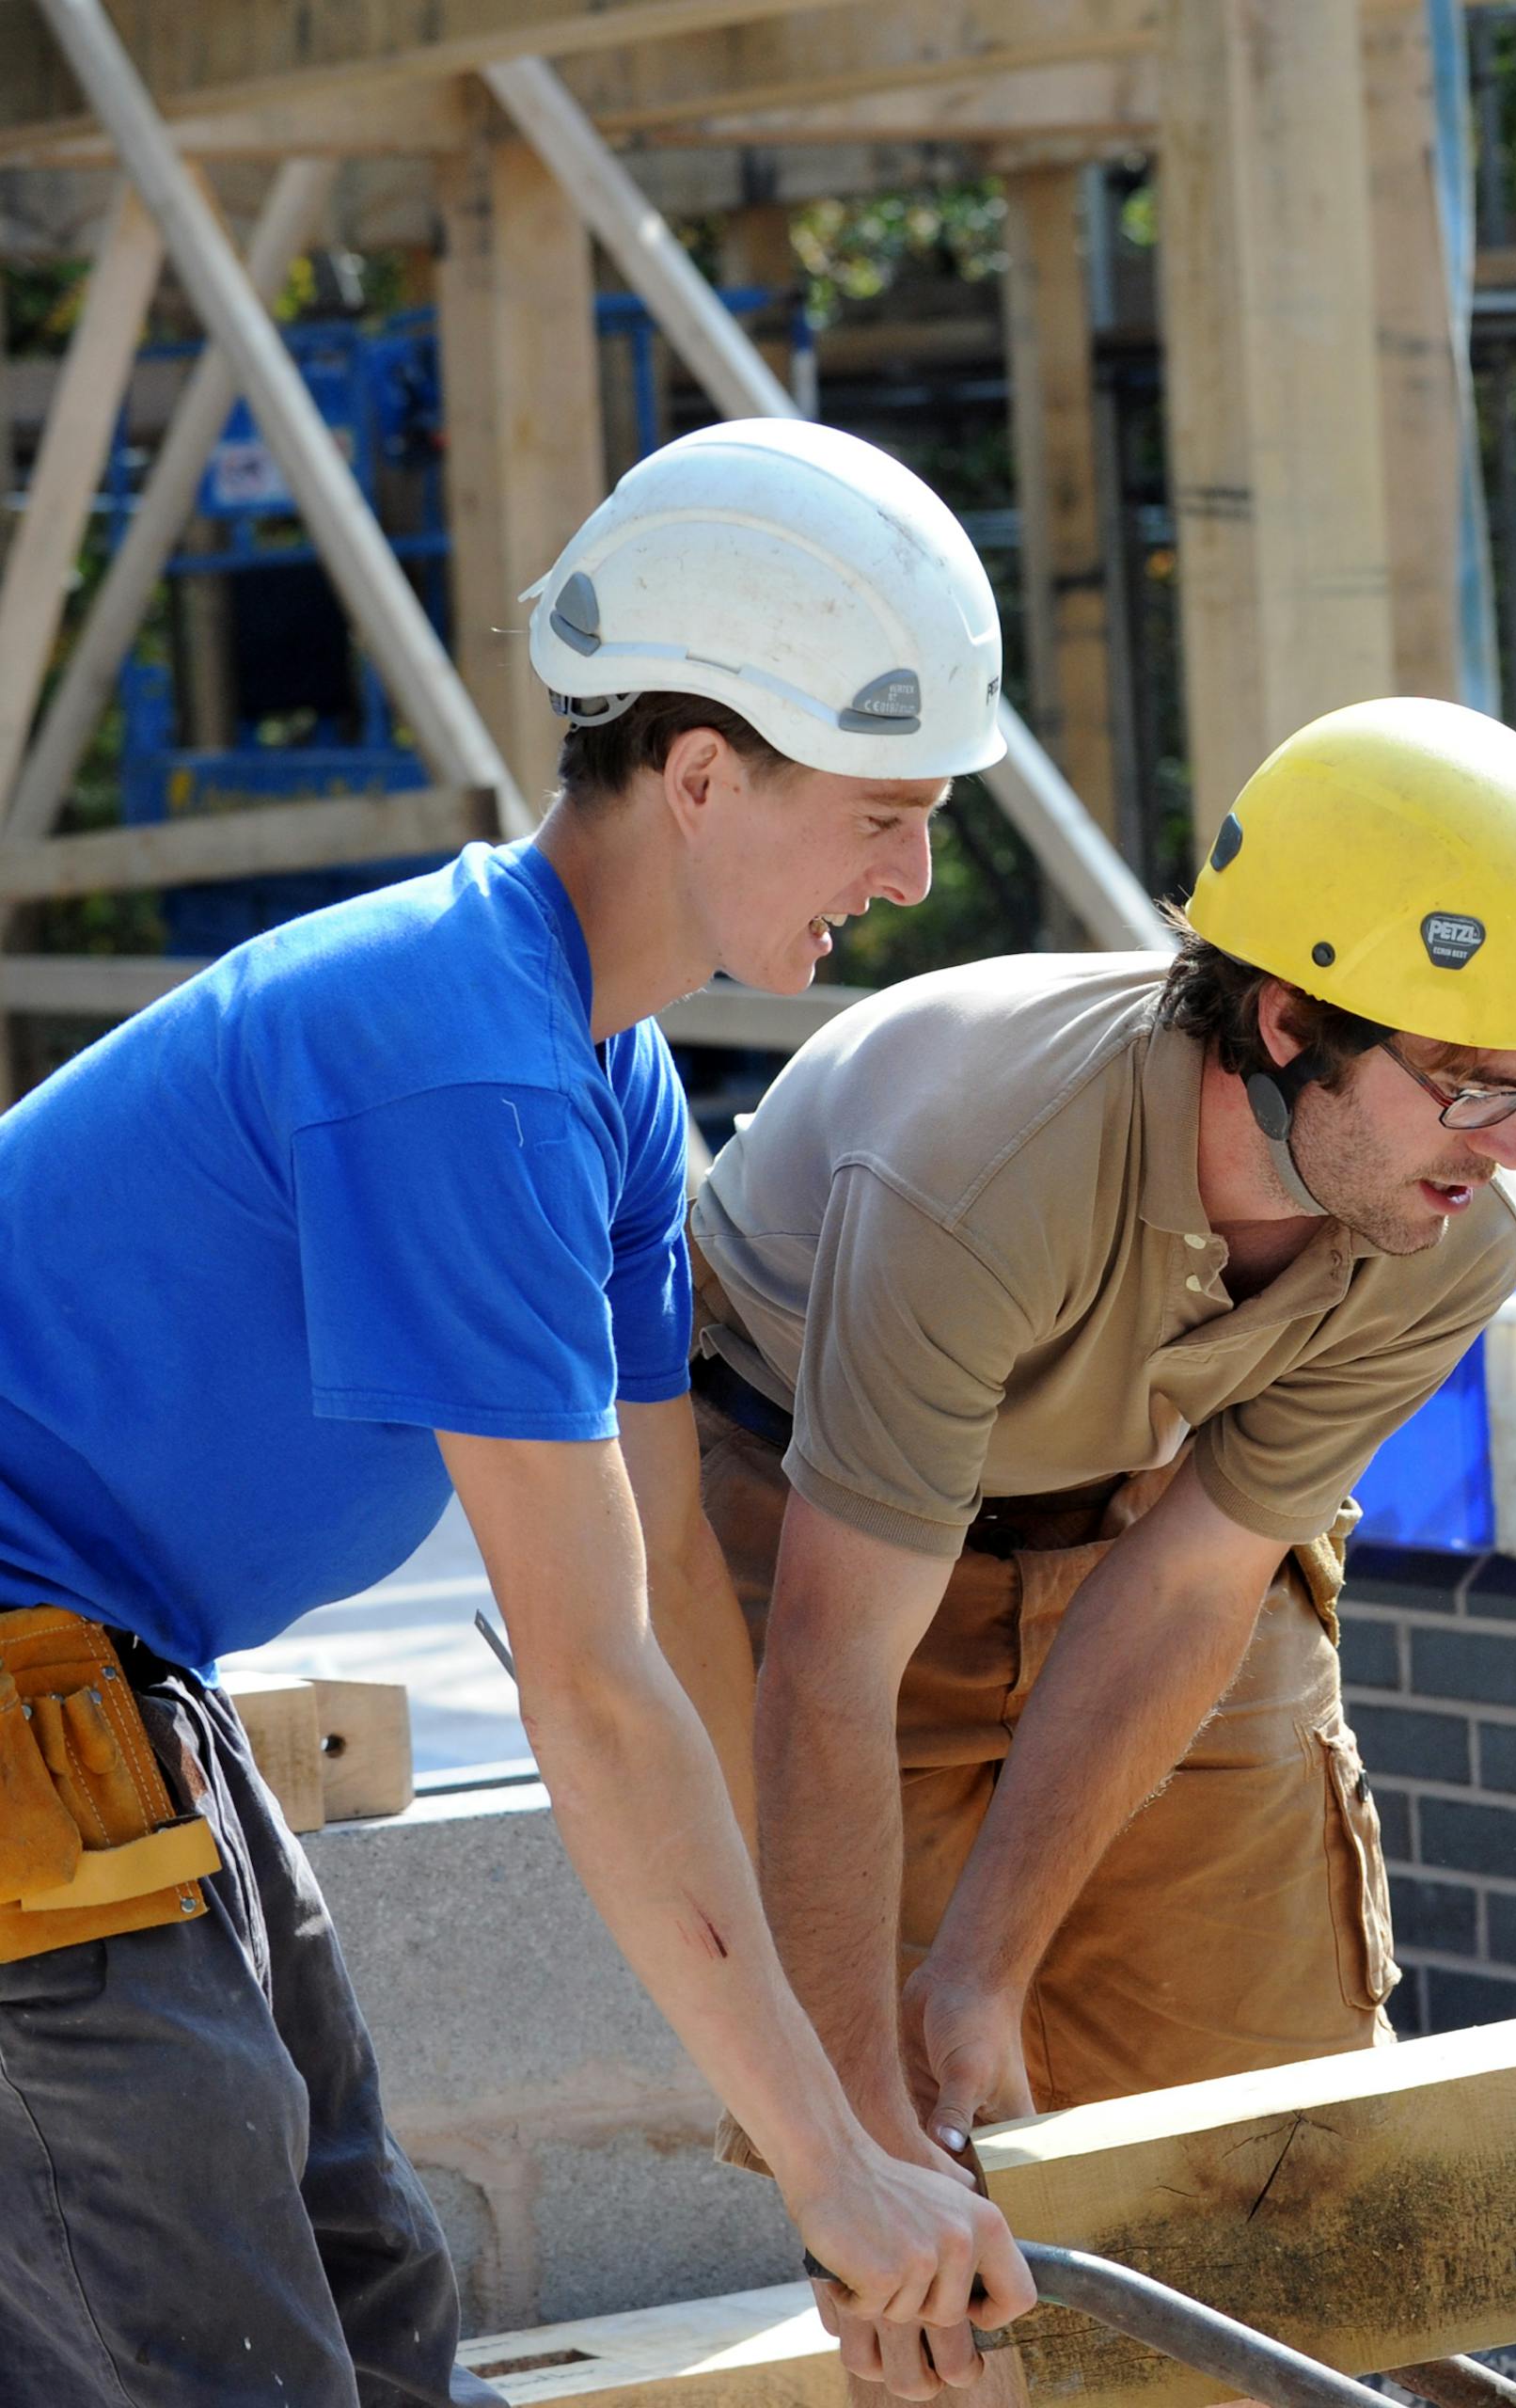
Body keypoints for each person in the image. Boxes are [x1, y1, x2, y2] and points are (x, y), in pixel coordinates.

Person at [0, 419, 1031, 2403]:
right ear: (706, 776)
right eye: (884, 812)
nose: (910, 874)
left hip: (106, 1681)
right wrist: (825, 2167)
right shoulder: (458, 1062)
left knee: (373, 2296)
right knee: (211, 2348)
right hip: (39, 1685)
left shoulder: (601, 1071)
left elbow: (666, 1622)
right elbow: (580, 1686)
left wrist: (851, 2133)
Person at [665, 697, 1516, 2388]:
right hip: (814, 1529)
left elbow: (1189, 1578)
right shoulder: (991, 1159)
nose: (1514, 1149)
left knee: (1290, 2155)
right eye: (1472, 1088)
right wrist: (872, 2132)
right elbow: (826, 1667)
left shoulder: (1448, 1231)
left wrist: (987, 1973)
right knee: (910, 2227)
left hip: (1133, 1522)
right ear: (1285, 1023)